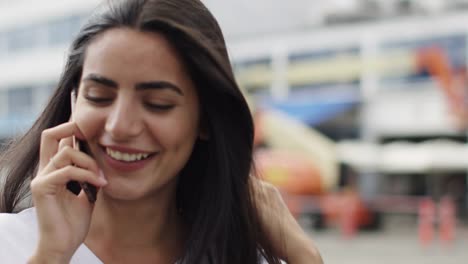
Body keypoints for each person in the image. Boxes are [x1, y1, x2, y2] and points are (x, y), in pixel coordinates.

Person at [0, 0, 323, 263]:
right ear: (73, 101)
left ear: (205, 121)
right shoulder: (10, 243)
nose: (119, 126)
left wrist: (304, 256)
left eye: (157, 103)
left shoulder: (242, 255)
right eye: (99, 96)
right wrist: (51, 255)